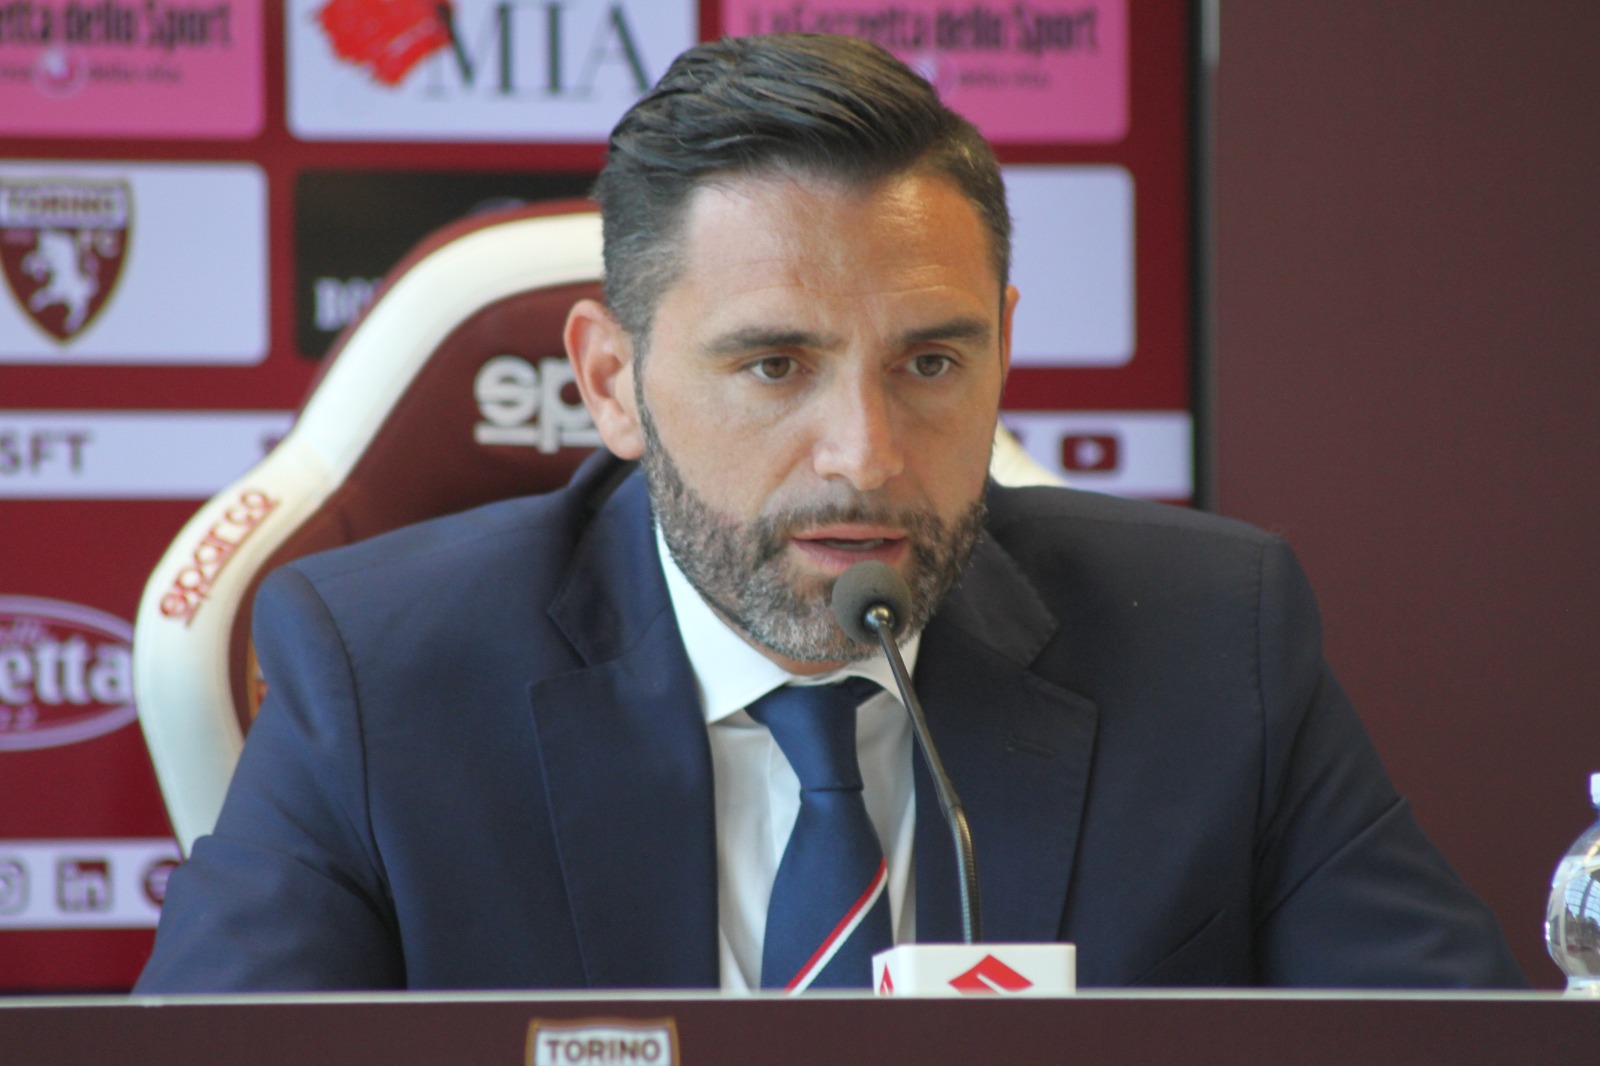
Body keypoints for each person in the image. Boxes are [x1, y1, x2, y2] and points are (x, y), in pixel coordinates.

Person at [135, 34, 1524, 993]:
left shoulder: (1214, 645)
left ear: (1002, 351)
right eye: (774, 366)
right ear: (612, 383)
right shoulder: (382, 674)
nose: (864, 456)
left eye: (931, 363)